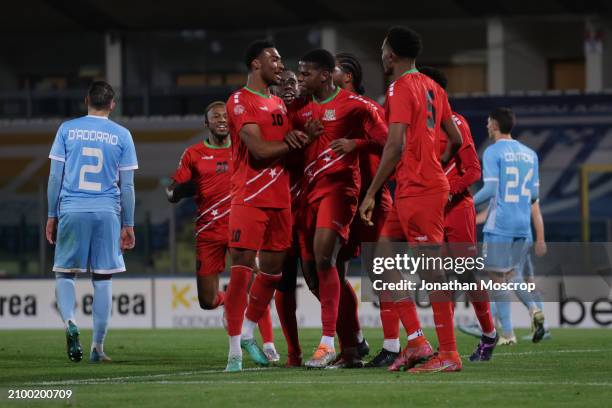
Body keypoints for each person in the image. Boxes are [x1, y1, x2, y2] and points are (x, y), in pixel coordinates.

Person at [359, 26, 464, 373]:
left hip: (420, 190)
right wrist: (435, 164)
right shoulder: (433, 87)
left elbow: (395, 145)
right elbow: (455, 139)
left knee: (431, 272)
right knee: (381, 261)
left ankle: (448, 354)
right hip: (417, 187)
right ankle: (418, 342)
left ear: (391, 55)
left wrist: (372, 192)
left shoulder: (400, 87)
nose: (381, 55)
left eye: (382, 49)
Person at [290, 48, 388, 368]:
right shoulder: (299, 108)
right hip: (306, 197)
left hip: (339, 190)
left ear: (325, 74)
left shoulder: (356, 106)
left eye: (305, 74)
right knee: (314, 277)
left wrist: (356, 144)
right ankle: (352, 344)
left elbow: (388, 140)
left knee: (324, 257)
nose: (300, 79)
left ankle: (327, 342)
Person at [223, 40, 315, 372]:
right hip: (248, 197)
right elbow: (261, 150)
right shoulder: (238, 101)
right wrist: (288, 143)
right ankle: (234, 350)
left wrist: (306, 136)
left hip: (280, 200)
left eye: (280, 58)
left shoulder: (278, 102)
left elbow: (290, 149)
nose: (280, 64)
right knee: (241, 273)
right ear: (254, 64)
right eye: (273, 59)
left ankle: (248, 331)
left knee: (272, 273)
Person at [166, 101, 278, 362]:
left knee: (256, 282)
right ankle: (229, 300)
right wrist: (178, 191)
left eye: (225, 117)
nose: (221, 120)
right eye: (215, 117)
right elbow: (172, 189)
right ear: (206, 123)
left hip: (241, 226)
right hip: (208, 232)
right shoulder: (193, 154)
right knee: (206, 300)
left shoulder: (245, 149)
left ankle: (269, 344)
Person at [46, 81, 137, 363]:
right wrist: (129, 223)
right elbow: (128, 187)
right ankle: (97, 347)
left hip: (73, 208)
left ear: (87, 100)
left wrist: (52, 215)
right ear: (112, 104)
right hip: (107, 212)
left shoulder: (67, 129)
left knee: (65, 274)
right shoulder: (122, 135)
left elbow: (54, 178)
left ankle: (70, 322)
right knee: (103, 279)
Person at [472, 107, 546, 345]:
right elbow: (533, 194)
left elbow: (491, 190)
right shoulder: (530, 154)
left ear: (494, 124)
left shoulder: (493, 152)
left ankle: (508, 333)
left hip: (500, 224)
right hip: (523, 225)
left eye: (487, 122)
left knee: (496, 279)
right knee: (511, 276)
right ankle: (532, 311)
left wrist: (465, 203)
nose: (486, 126)